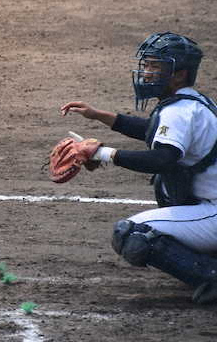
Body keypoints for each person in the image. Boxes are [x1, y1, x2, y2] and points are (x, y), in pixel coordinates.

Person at [60, 32, 217, 304]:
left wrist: (103, 153)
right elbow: (154, 132)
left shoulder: (178, 111)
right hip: (211, 207)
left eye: (155, 66)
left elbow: (162, 158)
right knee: (167, 189)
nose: (146, 73)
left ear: (178, 74)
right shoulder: (193, 103)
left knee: (134, 234)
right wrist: (100, 116)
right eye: (147, 65)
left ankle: (211, 276)